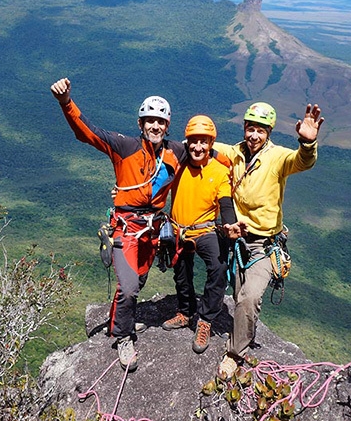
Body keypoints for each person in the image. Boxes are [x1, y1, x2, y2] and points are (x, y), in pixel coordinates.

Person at [50, 77, 186, 372]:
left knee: (139, 281)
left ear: (167, 126)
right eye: (150, 121)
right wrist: (66, 102)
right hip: (126, 228)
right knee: (129, 286)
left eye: (160, 122)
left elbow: (207, 150)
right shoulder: (124, 146)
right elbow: (88, 133)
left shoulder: (176, 151)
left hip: (153, 231)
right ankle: (123, 337)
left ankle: (121, 318)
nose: (155, 127)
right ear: (141, 124)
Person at [214, 101, 324, 377]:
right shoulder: (235, 152)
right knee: (239, 295)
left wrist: (307, 143)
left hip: (264, 244)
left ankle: (235, 354)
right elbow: (203, 146)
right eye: (251, 129)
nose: (254, 135)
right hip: (237, 240)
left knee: (249, 297)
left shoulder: (277, 157)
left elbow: (301, 161)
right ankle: (241, 331)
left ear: (269, 132)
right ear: (244, 128)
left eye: (260, 131)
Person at [161, 115, 237, 355]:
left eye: (203, 141)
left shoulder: (219, 171)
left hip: (205, 230)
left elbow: (225, 202)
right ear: (187, 142)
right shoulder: (178, 164)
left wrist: (230, 224)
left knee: (218, 267)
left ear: (211, 143)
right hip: (178, 230)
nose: (198, 147)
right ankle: (185, 312)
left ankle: (205, 320)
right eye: (193, 141)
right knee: (182, 274)